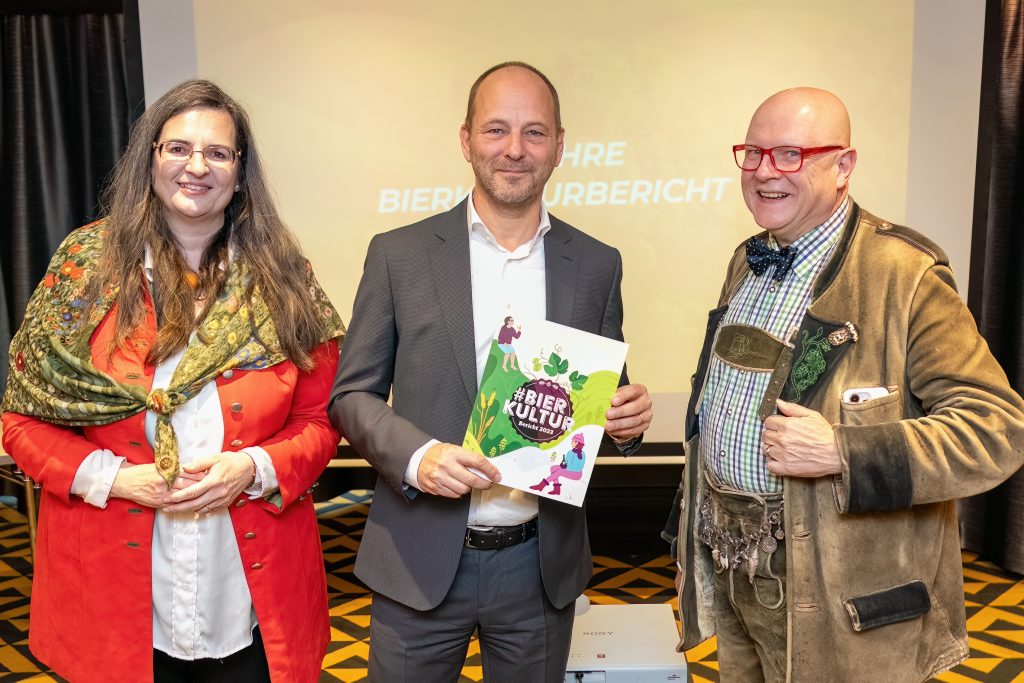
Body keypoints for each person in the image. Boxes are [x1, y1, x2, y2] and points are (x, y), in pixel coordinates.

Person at [666, 87, 1024, 682]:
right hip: (737, 575)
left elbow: (996, 428)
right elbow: (716, 412)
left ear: (844, 166)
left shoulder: (904, 274)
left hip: (841, 606)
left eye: (790, 155)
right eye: (752, 153)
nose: (763, 172)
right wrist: (691, 546)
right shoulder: (747, 260)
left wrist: (841, 451)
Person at [2, 79, 345, 683]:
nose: (197, 166)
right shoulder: (83, 268)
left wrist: (255, 468)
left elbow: (319, 422)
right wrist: (115, 479)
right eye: (178, 148)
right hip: (113, 587)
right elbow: (23, 419)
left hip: (249, 589)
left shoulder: (286, 280)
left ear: (241, 175)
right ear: (150, 160)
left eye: (218, 153)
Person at [329, 61, 653, 682]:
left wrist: (627, 423)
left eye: (534, 133)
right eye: (496, 130)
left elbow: (605, 398)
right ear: (466, 139)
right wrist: (419, 455)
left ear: (560, 146)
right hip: (417, 557)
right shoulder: (399, 255)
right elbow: (352, 396)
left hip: (538, 568)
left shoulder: (595, 264)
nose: (514, 149)